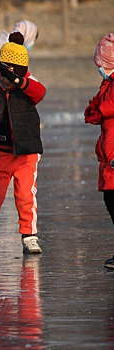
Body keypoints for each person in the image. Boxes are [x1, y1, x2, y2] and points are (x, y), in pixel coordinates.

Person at [0, 33, 46, 256]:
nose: (6, 81)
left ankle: (29, 235)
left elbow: (40, 92)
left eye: (11, 77)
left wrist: (17, 81)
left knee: (26, 197)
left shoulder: (28, 88)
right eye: (3, 75)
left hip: (26, 154)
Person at [84, 33, 114, 270]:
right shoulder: (107, 84)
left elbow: (104, 108)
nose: (99, 69)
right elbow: (95, 108)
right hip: (108, 156)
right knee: (110, 200)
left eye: (101, 65)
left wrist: (98, 110)